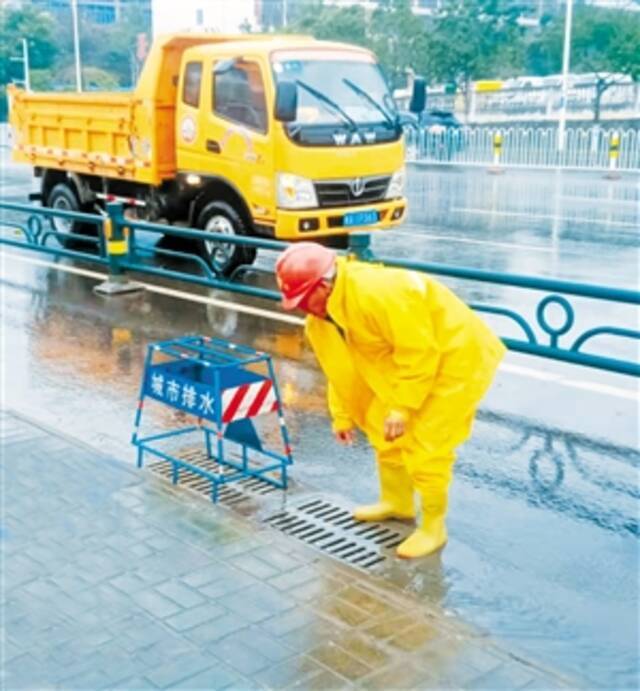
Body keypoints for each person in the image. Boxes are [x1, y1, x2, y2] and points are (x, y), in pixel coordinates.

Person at [275, 243, 506, 559]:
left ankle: (433, 528)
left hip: (453, 357)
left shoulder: (377, 293)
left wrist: (403, 407)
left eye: (303, 299)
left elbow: (419, 351)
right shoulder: (321, 321)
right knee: (383, 428)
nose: (301, 308)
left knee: (427, 444)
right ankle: (397, 502)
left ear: (325, 285)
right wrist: (341, 415)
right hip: (406, 364)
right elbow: (341, 370)